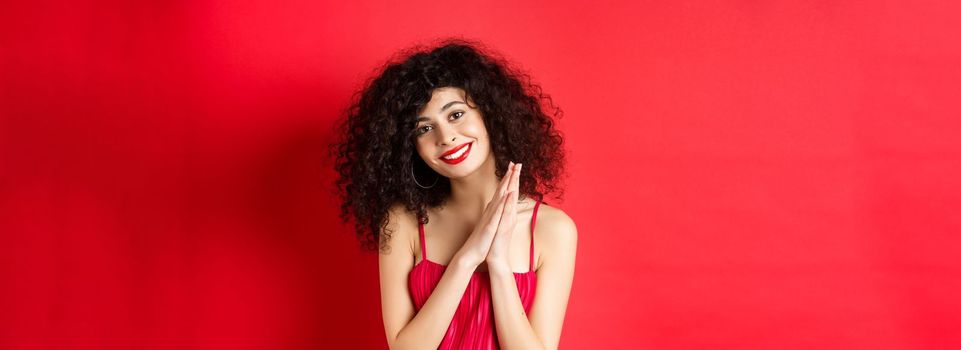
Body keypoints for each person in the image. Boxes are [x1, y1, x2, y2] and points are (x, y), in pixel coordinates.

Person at [329, 38, 577, 349]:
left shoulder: (553, 230)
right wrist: (467, 258)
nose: (446, 137)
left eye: (456, 114)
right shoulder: (403, 222)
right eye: (424, 128)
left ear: (490, 114)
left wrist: (498, 263)